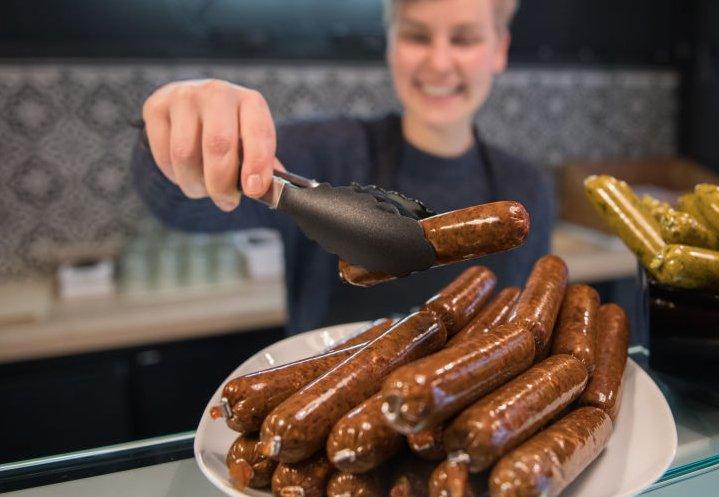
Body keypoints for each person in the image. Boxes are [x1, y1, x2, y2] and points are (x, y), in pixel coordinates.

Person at [131, 0, 554, 334]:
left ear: (499, 50)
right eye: (416, 36)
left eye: (463, 39)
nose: (439, 62)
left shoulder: (526, 186)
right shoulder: (328, 151)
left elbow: (525, 323)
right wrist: (178, 134)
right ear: (390, 44)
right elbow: (183, 205)